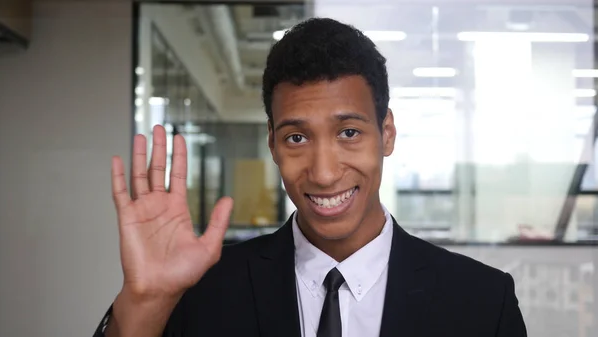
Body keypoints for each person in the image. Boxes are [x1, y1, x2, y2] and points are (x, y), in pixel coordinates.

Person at [94, 18, 527, 337]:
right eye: (297, 137)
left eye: (349, 132)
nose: (322, 173)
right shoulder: (205, 292)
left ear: (387, 134)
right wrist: (144, 302)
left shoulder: (482, 302)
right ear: (273, 144)